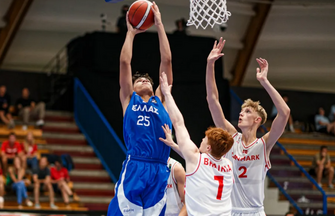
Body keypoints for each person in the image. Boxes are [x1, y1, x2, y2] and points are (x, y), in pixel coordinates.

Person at [205, 38, 289, 215]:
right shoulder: (231, 138)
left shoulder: (263, 144)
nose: (241, 114)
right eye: (242, 111)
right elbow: (212, 101)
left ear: (258, 120)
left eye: (248, 111)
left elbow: (285, 113)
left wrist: (264, 81)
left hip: (255, 212)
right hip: (230, 211)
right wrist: (210, 65)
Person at [107, 2, 174, 215]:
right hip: (136, 165)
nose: (144, 79)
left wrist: (160, 24)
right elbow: (125, 63)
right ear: (133, 89)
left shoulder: (162, 99)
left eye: (147, 79)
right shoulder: (129, 100)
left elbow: (167, 60)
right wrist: (130, 33)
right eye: (140, 79)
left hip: (159, 167)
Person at [159, 72, 234, 215]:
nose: (201, 139)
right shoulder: (227, 164)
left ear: (209, 147)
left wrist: (167, 94)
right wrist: (174, 145)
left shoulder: (196, 158)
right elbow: (201, 163)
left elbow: (178, 123)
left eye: (204, 139)